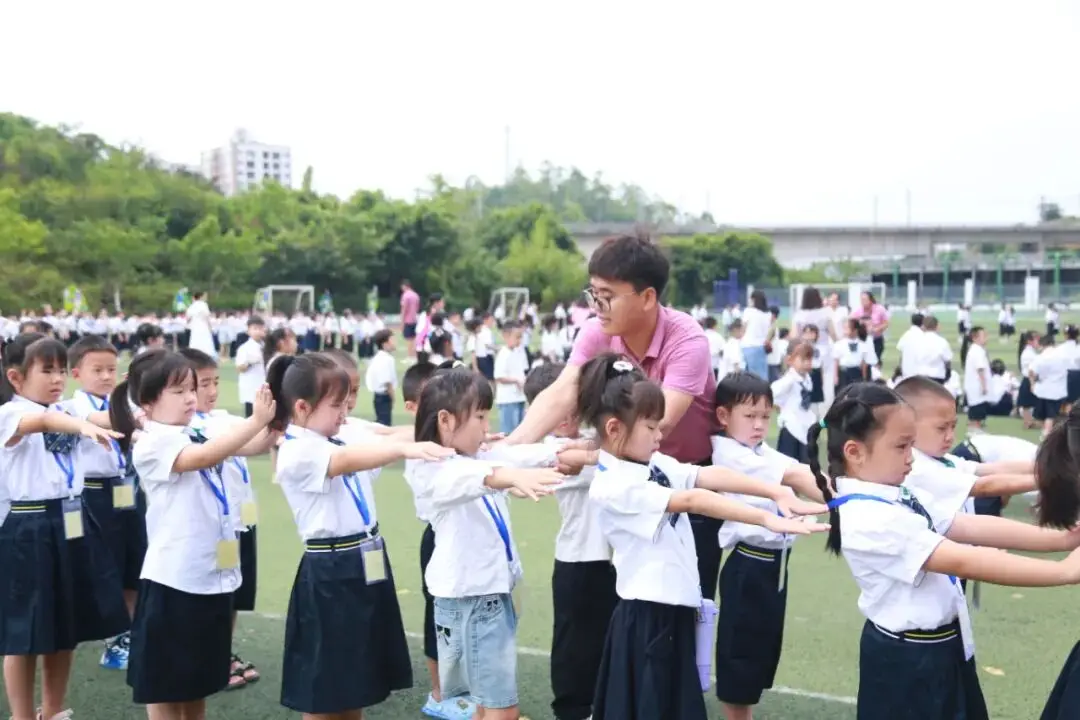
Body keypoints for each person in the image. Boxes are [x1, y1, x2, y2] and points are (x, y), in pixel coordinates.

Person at [809, 383, 1080, 720]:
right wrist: (1064, 572)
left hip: (940, 647)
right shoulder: (871, 518)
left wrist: (1063, 540)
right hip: (908, 661)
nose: (911, 458)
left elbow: (967, 526)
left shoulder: (896, 490)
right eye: (901, 446)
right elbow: (966, 559)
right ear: (855, 452)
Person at [579, 354, 828, 720]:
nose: (661, 435)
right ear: (615, 429)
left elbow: (704, 477)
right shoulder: (613, 485)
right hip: (648, 616)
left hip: (674, 611)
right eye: (651, 427)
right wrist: (766, 518)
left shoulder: (650, 464)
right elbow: (693, 499)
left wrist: (775, 492)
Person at [504, 233, 723, 599]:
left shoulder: (687, 341)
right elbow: (561, 392)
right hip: (628, 479)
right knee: (627, 608)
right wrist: (509, 449)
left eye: (607, 296)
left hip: (686, 480)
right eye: (593, 294)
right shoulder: (596, 333)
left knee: (685, 608)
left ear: (648, 297)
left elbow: (659, 422)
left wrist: (588, 451)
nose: (596, 306)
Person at [270, 353, 451, 718]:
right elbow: (350, 461)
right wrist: (403, 449)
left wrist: (453, 429)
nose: (345, 410)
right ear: (302, 407)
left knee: (354, 681)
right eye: (336, 403)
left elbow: (390, 432)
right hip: (331, 569)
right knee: (326, 685)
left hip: (365, 558)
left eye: (347, 400)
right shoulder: (297, 449)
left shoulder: (340, 431)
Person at [114, 351, 275, 719]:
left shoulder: (196, 429)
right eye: (179, 390)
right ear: (148, 401)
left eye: (191, 388)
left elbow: (251, 445)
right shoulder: (153, 442)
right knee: (166, 682)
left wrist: (275, 424)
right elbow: (201, 458)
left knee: (198, 680)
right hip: (175, 579)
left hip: (208, 577)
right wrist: (256, 420)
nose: (191, 397)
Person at [408, 366, 565, 720]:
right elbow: (482, 475)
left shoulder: (472, 457)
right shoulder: (433, 468)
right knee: (501, 708)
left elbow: (511, 457)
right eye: (479, 416)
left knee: (484, 704)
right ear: (445, 421)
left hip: (481, 597)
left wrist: (573, 452)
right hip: (473, 600)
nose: (485, 426)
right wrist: (512, 476)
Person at [0, 334, 126, 720]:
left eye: (60, 371)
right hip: (28, 527)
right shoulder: (10, 414)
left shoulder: (68, 408)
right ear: (16, 379)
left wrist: (137, 413)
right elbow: (42, 421)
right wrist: (77, 425)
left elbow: (102, 417)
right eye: (47, 370)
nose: (57, 379)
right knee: (24, 635)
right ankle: (22, 716)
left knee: (65, 628)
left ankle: (52, 710)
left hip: (71, 521)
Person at [710, 372, 824, 720]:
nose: (759, 425)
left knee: (760, 649)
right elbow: (790, 477)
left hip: (774, 565)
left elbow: (802, 472)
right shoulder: (727, 452)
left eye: (765, 416)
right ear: (723, 416)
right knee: (740, 652)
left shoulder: (759, 449)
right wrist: (840, 500)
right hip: (748, 564)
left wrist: (851, 497)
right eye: (750, 416)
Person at [522, 362, 616, 720]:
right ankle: (572, 710)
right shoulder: (550, 451)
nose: (566, 417)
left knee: (608, 638)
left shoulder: (596, 437)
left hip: (613, 561)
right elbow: (587, 462)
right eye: (556, 410)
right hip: (578, 559)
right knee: (573, 645)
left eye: (572, 408)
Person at [179, 348, 277, 690]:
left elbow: (261, 441)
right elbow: (240, 444)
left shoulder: (222, 416)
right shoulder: (186, 428)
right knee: (213, 594)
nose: (211, 390)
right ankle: (208, 656)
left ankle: (222, 651)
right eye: (202, 383)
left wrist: (278, 422)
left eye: (214, 382)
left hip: (240, 521)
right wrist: (260, 424)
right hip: (214, 529)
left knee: (233, 591)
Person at [63, 335, 143, 672]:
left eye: (112, 369)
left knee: (133, 562)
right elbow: (103, 422)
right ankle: (113, 641)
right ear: (76, 373)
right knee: (105, 565)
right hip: (93, 494)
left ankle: (132, 632)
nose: (107, 376)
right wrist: (128, 405)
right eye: (98, 370)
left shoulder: (118, 402)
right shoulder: (73, 407)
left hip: (126, 489)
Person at [771, 341, 816, 462]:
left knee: (806, 461)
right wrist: (780, 407)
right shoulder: (788, 380)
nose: (807, 363)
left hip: (804, 423)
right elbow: (772, 393)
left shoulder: (807, 379)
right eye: (803, 360)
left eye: (809, 360)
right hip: (791, 426)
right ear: (790, 360)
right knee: (788, 461)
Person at [793, 287, 838, 405]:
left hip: (806, 350)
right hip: (824, 350)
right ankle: (825, 404)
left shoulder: (799, 315)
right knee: (826, 380)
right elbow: (833, 334)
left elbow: (794, 336)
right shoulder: (825, 313)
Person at [494, 321, 529, 435]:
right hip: (507, 399)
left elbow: (523, 370)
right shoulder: (503, 354)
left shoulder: (519, 352)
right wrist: (516, 381)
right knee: (508, 431)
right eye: (517, 337)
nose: (519, 340)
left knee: (520, 430)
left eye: (521, 337)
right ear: (506, 336)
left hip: (519, 396)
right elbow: (499, 377)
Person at [1032, 334, 1069, 437]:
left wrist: (1032, 383)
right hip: (1057, 390)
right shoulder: (1061, 353)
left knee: (1046, 416)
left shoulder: (1041, 356)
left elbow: (1032, 372)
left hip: (1043, 390)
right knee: (1051, 415)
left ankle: (1046, 433)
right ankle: (1048, 433)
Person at [235, 316, 267, 418]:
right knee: (251, 417)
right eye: (255, 329)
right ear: (248, 331)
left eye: (260, 328)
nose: (258, 331)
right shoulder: (244, 348)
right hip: (251, 388)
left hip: (264, 385)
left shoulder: (266, 346)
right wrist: (250, 362)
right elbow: (240, 368)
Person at [834, 318, 878, 391]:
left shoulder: (863, 345)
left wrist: (864, 378)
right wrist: (836, 376)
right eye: (844, 328)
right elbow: (836, 361)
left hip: (857, 373)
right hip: (843, 373)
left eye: (847, 328)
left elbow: (864, 363)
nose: (844, 330)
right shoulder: (839, 344)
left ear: (855, 330)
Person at [366, 329, 398, 426]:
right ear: (385, 344)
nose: (395, 342)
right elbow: (387, 382)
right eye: (392, 340)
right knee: (384, 425)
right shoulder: (386, 359)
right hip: (383, 396)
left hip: (379, 396)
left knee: (382, 422)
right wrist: (393, 398)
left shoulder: (379, 358)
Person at [962, 327, 992, 430]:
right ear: (975, 338)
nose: (986, 338)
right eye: (984, 336)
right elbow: (980, 369)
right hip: (977, 388)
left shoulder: (976, 349)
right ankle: (974, 432)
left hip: (974, 387)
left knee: (976, 413)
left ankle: (974, 431)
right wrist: (984, 386)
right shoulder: (977, 351)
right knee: (977, 414)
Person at [849, 291, 889, 363]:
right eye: (861, 300)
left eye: (865, 300)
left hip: (876, 340)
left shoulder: (879, 309)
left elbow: (886, 323)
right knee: (863, 361)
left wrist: (877, 329)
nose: (862, 302)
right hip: (862, 340)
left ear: (870, 300)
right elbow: (851, 323)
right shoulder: (858, 311)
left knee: (876, 361)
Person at [184, 291, 216, 359]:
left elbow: (188, 319)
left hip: (195, 327)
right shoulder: (203, 304)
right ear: (200, 297)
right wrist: (210, 327)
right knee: (205, 341)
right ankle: (206, 356)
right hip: (203, 326)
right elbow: (206, 317)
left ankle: (194, 355)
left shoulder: (191, 306)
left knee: (195, 341)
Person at [895, 313, 925, 380]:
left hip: (906, 371)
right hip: (920, 372)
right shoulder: (924, 336)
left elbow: (900, 351)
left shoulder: (906, 335)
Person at [401, 280, 421, 359]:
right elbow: (417, 307)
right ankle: (414, 354)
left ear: (405, 286)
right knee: (414, 338)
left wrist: (402, 320)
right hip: (415, 318)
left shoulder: (405, 295)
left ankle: (410, 355)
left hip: (408, 319)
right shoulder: (416, 295)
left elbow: (404, 308)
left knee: (409, 338)